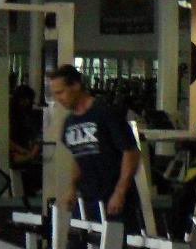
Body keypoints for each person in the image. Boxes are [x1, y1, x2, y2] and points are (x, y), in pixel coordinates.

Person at [45, 64, 143, 232]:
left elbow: (131, 152)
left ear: (76, 85)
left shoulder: (106, 113)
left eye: (61, 92)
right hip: (88, 199)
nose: (58, 99)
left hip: (114, 198)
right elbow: (79, 156)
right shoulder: (69, 123)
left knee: (118, 245)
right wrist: (72, 188)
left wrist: (120, 192)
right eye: (55, 94)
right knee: (81, 245)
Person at [9, 83, 44, 205]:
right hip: (17, 151)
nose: (27, 103)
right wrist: (26, 152)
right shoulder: (14, 116)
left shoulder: (24, 115)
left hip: (22, 150)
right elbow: (8, 140)